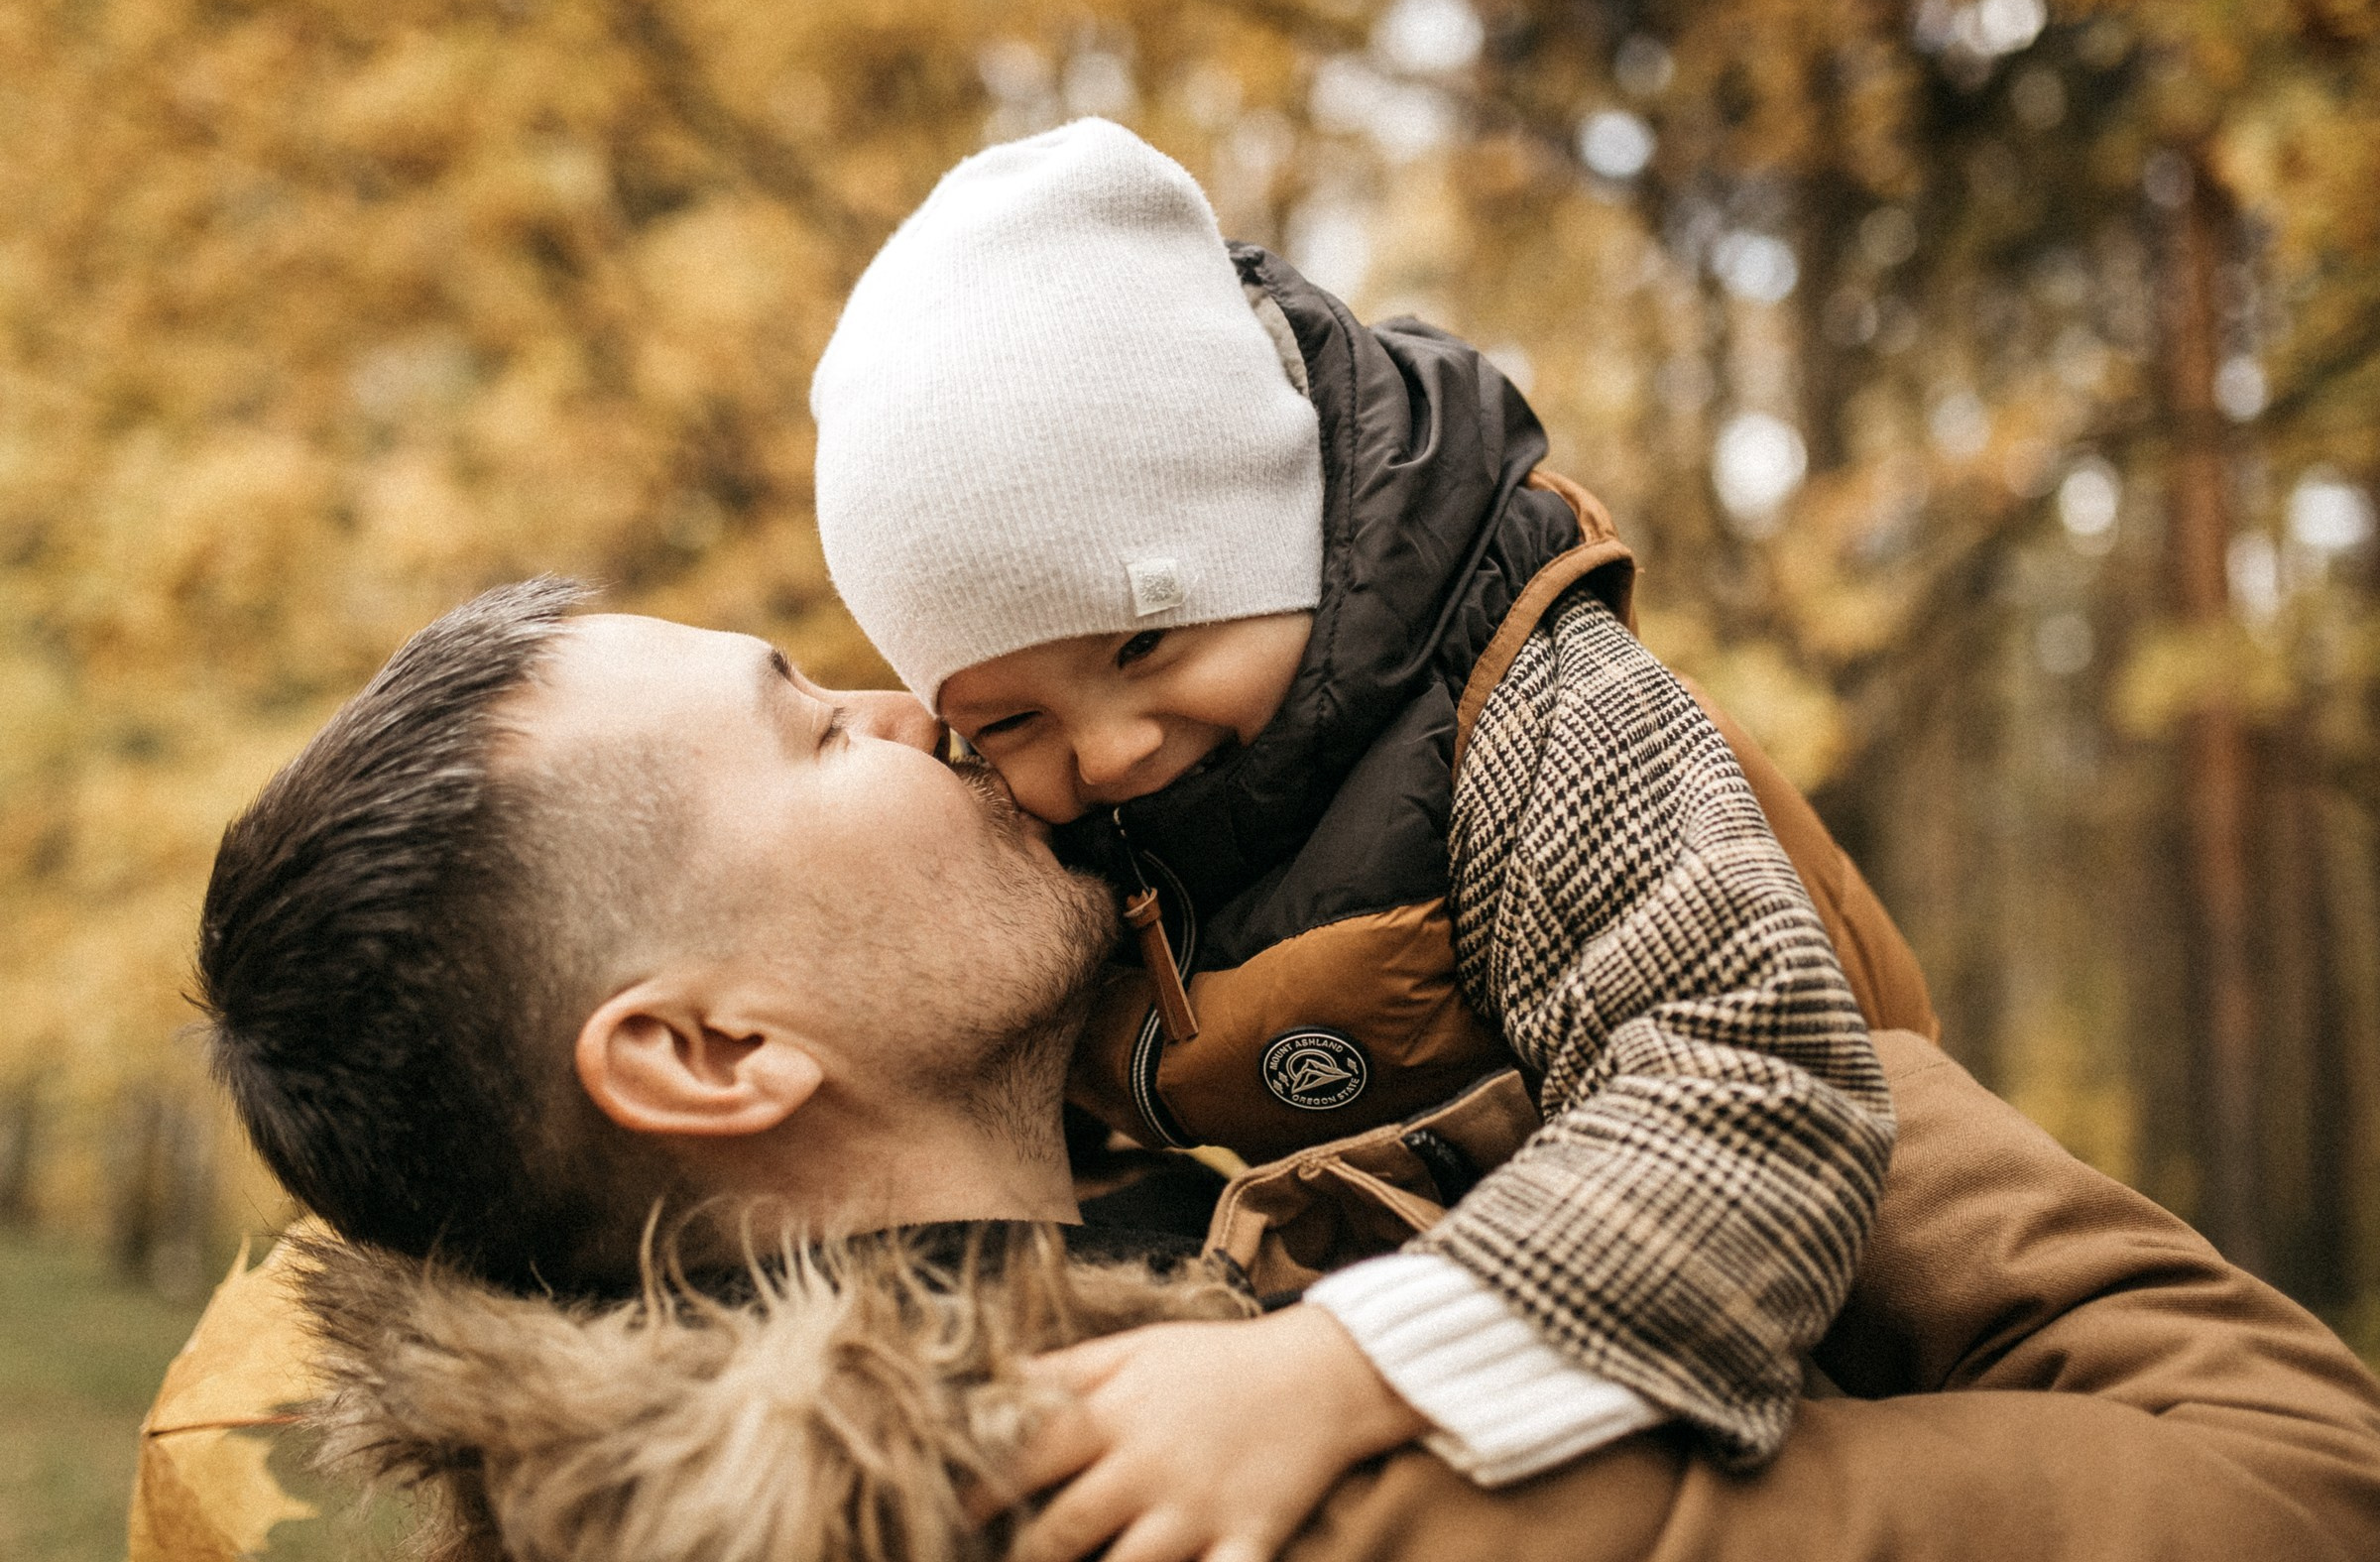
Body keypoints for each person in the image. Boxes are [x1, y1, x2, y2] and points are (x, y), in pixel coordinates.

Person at [140, 580, 2380, 1562]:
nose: (925, 704)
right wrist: (1711, 1030)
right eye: (810, 729)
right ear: (711, 1051)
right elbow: (2300, 1478)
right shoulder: (1233, 1491)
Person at [805, 116, 1886, 1539]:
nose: (1113, 752)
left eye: (1145, 644)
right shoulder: (1077, 829)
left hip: (1801, 1323)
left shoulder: (1530, 703)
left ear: (1277, 521)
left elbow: (1755, 1085)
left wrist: (1341, 1370)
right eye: (1010, 724)